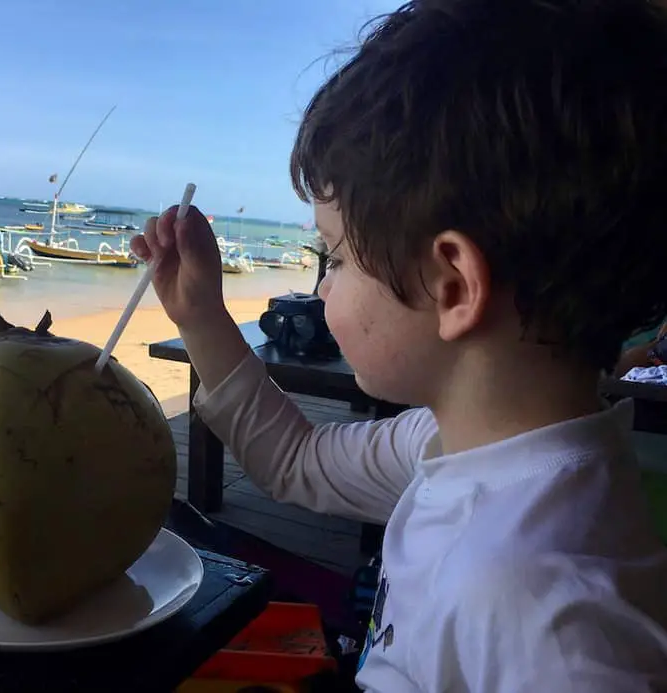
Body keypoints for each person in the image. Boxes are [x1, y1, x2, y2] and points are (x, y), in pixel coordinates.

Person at [130, 1, 667, 690]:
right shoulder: (461, 445)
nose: (322, 289)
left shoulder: (554, 616)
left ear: (451, 285)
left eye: (336, 257)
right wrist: (200, 312)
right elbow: (298, 460)